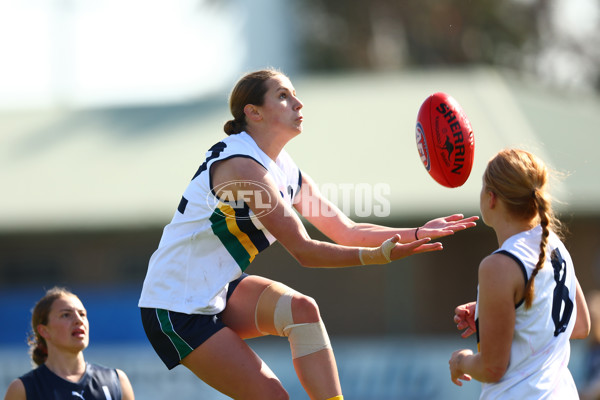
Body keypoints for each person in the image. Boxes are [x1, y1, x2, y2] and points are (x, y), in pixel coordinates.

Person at [138, 68, 478, 400]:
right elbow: (304, 250)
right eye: (283, 96)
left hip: (216, 289)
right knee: (273, 396)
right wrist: (377, 256)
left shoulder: (283, 168)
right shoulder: (243, 167)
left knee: (302, 310)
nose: (298, 104)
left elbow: (346, 230)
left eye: (295, 96)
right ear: (253, 113)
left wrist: (417, 231)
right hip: (175, 307)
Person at [449, 148, 591, 399]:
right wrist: (491, 310)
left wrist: (461, 361)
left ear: (491, 198)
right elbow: (579, 325)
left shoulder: (498, 266)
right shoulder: (553, 244)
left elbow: (492, 368)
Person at [3, 286, 135, 400]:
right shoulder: (23, 389)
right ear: (44, 331)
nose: (79, 320)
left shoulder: (116, 381)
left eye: (82, 314)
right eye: (66, 315)